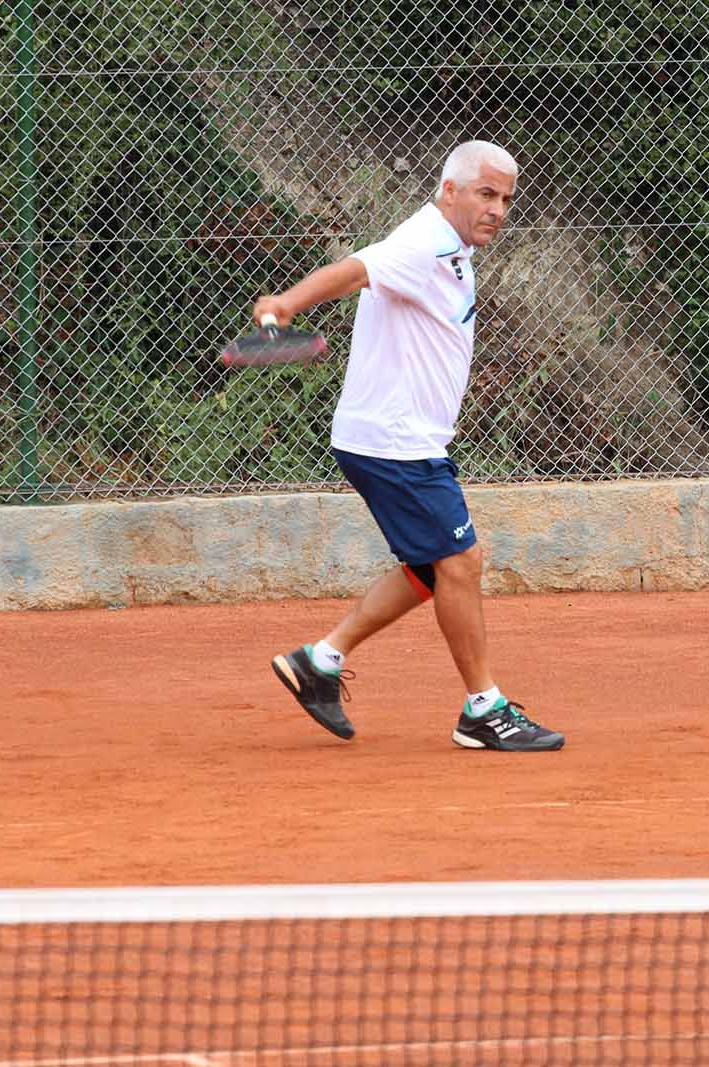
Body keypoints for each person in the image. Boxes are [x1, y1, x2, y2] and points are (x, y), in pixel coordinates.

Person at [254, 140, 565, 752]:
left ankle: (320, 661)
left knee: (427, 571)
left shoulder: (451, 250)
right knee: (460, 562)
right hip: (396, 442)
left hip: (400, 438)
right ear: (449, 190)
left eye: (505, 198)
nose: (497, 209)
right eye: (485, 193)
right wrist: (286, 303)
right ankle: (484, 709)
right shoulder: (423, 243)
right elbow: (356, 269)